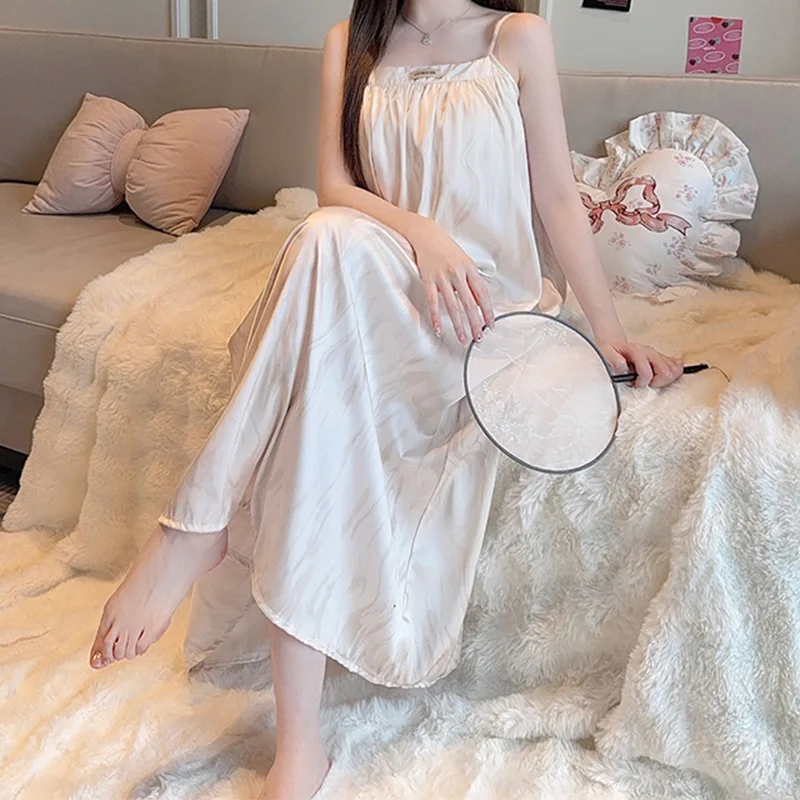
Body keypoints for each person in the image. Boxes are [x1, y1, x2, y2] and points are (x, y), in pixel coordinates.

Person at [89, 2, 684, 798]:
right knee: (323, 245)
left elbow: (554, 196)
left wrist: (607, 332)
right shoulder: (350, 41)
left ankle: (196, 528)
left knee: (323, 275)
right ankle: (298, 748)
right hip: (387, 284)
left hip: (482, 310)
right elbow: (334, 188)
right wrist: (421, 234)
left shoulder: (517, 38)